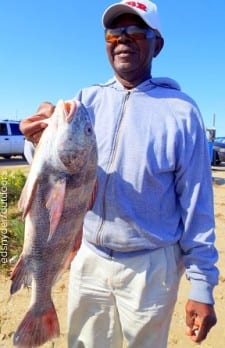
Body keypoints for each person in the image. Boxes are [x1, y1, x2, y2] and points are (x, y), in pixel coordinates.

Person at [20, 1, 219, 347]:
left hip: (152, 267)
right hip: (89, 257)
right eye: (114, 33)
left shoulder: (182, 112)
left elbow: (198, 205)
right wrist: (37, 140)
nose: (123, 39)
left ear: (156, 43)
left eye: (135, 31)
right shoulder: (86, 100)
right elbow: (54, 169)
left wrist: (202, 285)